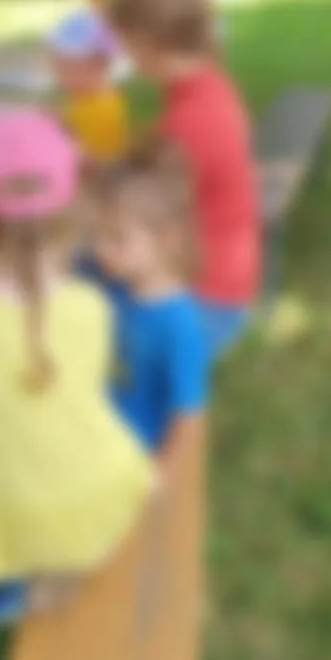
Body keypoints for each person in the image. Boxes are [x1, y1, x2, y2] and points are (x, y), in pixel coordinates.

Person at [0, 108, 156, 619]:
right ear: (70, 218)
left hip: (14, 518)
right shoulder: (91, 308)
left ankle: (19, 591)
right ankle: (49, 583)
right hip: (93, 498)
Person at [108, 0, 259, 357]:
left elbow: (134, 213)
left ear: (146, 41)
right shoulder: (206, 85)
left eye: (123, 41)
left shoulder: (190, 124)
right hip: (221, 275)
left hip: (204, 300)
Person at [93, 141, 212, 457]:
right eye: (99, 235)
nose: (101, 249)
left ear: (168, 239)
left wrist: (164, 480)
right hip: (102, 439)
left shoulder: (179, 325)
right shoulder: (116, 287)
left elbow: (187, 418)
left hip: (137, 455)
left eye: (118, 238)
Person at [49, 9, 128, 163]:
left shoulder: (109, 109)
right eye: (57, 67)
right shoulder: (77, 97)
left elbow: (113, 161)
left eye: (67, 68)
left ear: (100, 67)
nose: (59, 77)